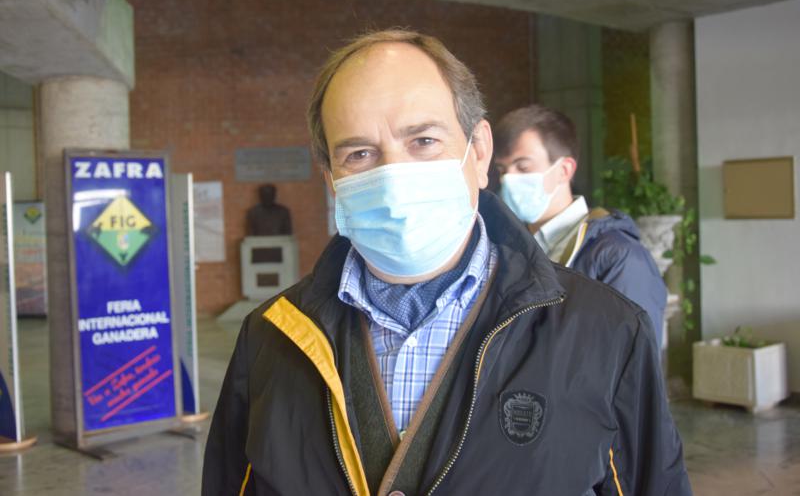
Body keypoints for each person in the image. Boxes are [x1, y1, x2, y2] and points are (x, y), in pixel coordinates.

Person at [202, 30, 691, 496]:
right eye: (360, 153)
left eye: (424, 141)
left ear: (478, 154)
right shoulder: (269, 340)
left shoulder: (606, 331)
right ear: (331, 179)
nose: (394, 178)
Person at [494, 105, 668, 350]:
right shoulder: (506, 250)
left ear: (564, 170)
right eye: (502, 170)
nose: (508, 180)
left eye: (523, 167)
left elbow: (635, 358)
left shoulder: (619, 256)